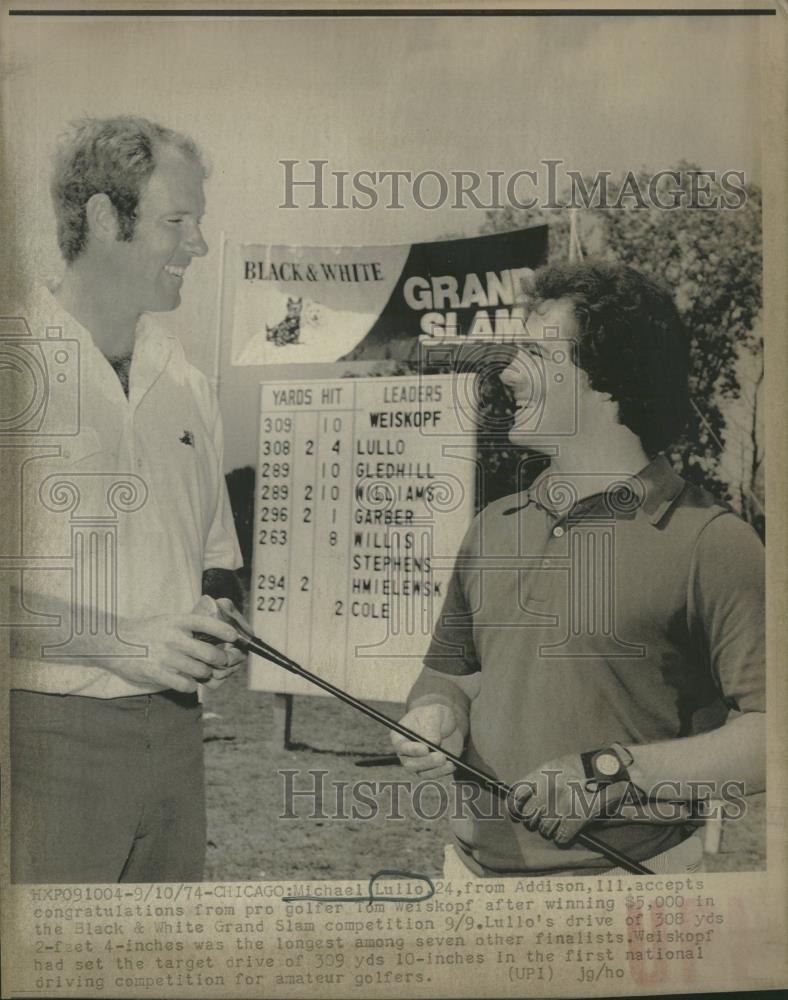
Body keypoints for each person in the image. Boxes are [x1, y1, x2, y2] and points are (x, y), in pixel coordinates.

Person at [392, 260, 765, 877]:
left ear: (611, 378)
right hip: (467, 876)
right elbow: (448, 674)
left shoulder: (714, 542)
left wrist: (614, 771)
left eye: (537, 355)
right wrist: (438, 713)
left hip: (627, 891)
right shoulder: (493, 526)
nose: (509, 373)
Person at [10, 116, 246, 883]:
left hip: (178, 744)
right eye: (177, 221)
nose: (198, 246)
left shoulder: (189, 384)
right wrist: (116, 640)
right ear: (105, 218)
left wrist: (216, 614)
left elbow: (216, 564)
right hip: (41, 740)